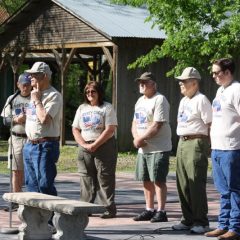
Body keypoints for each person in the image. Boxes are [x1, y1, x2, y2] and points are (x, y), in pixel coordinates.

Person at [172, 67, 212, 234]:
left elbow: (210, 124)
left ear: (194, 82)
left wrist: (207, 146)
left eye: (184, 81)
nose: (181, 83)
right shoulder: (184, 101)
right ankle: (187, 219)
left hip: (196, 142)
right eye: (180, 80)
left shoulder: (201, 99)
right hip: (182, 142)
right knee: (182, 183)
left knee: (195, 182)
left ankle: (201, 221)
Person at [205, 58, 240, 240]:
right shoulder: (220, 91)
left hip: (232, 148)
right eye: (212, 73)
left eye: (216, 72)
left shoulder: (237, 90)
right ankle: (223, 224)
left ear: (227, 72)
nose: (214, 76)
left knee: (235, 190)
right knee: (223, 190)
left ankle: (236, 227)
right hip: (217, 148)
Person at [72, 81, 118, 219]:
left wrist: (96, 144)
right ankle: (85, 208)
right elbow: (75, 129)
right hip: (85, 147)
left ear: (99, 93)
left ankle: (107, 209)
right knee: (86, 178)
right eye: (87, 92)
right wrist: (84, 144)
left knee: (105, 177)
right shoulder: (82, 108)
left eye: (93, 91)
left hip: (104, 146)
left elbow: (110, 129)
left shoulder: (107, 107)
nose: (90, 94)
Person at [132, 72, 172, 223]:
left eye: (145, 82)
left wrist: (141, 138)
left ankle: (161, 211)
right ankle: (149, 209)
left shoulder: (160, 99)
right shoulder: (139, 101)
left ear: (154, 84)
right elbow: (134, 122)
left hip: (158, 147)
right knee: (146, 179)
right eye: (140, 82)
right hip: (143, 148)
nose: (141, 84)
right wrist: (136, 138)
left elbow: (158, 124)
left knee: (158, 179)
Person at [23, 62, 62, 196]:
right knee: (31, 185)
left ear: (44, 76)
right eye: (30, 75)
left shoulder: (54, 95)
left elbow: (45, 119)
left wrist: (37, 100)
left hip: (45, 145)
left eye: (34, 75)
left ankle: (49, 216)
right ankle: (35, 217)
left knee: (45, 185)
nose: (30, 78)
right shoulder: (34, 94)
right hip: (29, 145)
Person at [1, 73, 31, 211]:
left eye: (28, 84)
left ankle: (30, 201)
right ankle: (15, 201)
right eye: (23, 84)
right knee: (16, 171)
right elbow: (5, 120)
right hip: (16, 138)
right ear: (18, 84)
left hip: (32, 138)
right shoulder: (12, 98)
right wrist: (16, 120)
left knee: (31, 171)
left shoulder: (36, 97)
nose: (26, 87)